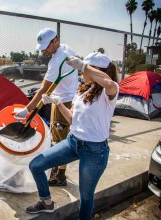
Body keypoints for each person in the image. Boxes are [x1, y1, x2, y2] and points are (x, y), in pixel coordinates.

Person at [26, 52, 119, 220]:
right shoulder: (84, 90)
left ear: (95, 70)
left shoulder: (109, 92)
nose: (82, 73)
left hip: (94, 150)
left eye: (85, 69)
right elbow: (71, 119)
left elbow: (109, 82)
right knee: (36, 165)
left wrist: (84, 66)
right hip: (73, 141)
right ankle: (46, 202)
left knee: (85, 196)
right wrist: (58, 102)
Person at [15, 28, 78, 186]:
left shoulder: (57, 61)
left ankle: (60, 176)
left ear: (55, 41)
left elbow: (43, 89)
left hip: (63, 101)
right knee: (57, 137)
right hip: (62, 98)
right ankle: (57, 171)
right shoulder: (64, 48)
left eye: (46, 47)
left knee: (60, 140)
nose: (43, 50)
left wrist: (27, 109)